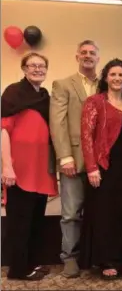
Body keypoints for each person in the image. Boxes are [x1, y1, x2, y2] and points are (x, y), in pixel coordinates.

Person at [80, 59, 122, 281]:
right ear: (106, 78)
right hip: (104, 167)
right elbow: (86, 136)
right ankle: (107, 260)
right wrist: (91, 168)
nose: (117, 78)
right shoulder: (95, 102)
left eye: (121, 75)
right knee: (106, 215)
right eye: (113, 74)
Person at [1, 52, 58, 280]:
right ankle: (18, 270)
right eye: (32, 65)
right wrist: (6, 166)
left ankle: (30, 264)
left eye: (42, 66)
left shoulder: (45, 96)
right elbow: (3, 130)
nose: (38, 69)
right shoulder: (13, 92)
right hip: (19, 168)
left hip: (41, 168)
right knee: (19, 222)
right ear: (24, 69)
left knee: (35, 220)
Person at [50, 40, 100, 278]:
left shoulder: (106, 84)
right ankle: (69, 257)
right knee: (70, 213)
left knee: (99, 211)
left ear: (98, 58)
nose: (88, 56)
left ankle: (95, 256)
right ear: (77, 57)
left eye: (92, 53)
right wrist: (65, 156)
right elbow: (57, 122)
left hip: (101, 162)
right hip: (74, 159)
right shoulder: (62, 85)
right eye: (84, 53)